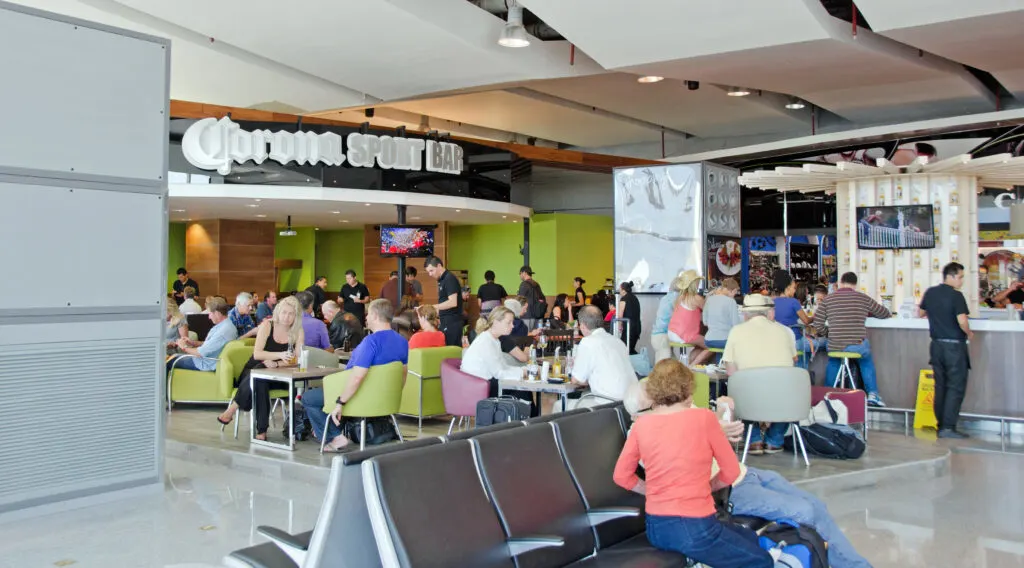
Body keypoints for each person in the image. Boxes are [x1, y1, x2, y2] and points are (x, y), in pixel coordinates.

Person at [623, 381, 874, 568]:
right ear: (640, 413)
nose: (664, 407)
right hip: (730, 490)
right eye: (656, 403)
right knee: (806, 512)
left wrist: (720, 417)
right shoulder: (643, 432)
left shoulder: (675, 417)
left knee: (815, 505)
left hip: (746, 474)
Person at [613, 360, 772, 568]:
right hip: (695, 527)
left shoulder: (642, 425)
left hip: (657, 528)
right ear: (687, 389)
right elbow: (731, 471)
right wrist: (709, 486)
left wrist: (652, 491)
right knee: (762, 561)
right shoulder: (704, 418)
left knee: (748, 538)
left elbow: (621, 476)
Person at [303, 299, 409, 452]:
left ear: (374, 315)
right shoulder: (402, 341)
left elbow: (357, 377)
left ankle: (335, 437)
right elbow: (402, 373)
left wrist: (341, 402)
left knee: (309, 398)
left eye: (368, 314)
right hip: (384, 400)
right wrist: (391, 394)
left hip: (359, 397)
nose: (365, 317)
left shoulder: (370, 342)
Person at [217, 296, 304, 440]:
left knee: (262, 374)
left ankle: (233, 407)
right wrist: (279, 355)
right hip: (254, 369)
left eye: (291, 314)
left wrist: (276, 363)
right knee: (260, 377)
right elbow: (257, 354)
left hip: (281, 372)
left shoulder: (298, 331)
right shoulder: (267, 325)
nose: (286, 317)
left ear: (296, 316)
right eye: (284, 312)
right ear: (278, 312)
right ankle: (262, 431)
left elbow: (297, 359)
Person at [722, 294, 798, 454]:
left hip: (751, 401)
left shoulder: (736, 331)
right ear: (767, 313)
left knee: (738, 389)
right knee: (787, 392)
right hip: (785, 402)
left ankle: (754, 440)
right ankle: (774, 440)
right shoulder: (784, 331)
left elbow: (731, 372)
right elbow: (793, 361)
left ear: (745, 314)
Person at [812, 272, 891, 407]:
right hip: (857, 345)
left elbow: (817, 323)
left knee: (834, 361)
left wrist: (829, 334)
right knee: (866, 360)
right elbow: (884, 313)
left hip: (835, 345)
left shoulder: (828, 299)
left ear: (840, 283)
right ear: (855, 284)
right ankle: (873, 394)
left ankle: (826, 395)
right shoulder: (862, 298)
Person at [919, 262, 973, 439]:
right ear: (950, 276)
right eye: (960, 277)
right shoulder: (956, 296)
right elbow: (962, 321)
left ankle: (940, 424)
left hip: (936, 346)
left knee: (940, 385)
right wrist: (970, 333)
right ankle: (948, 427)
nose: (962, 281)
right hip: (954, 347)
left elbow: (920, 313)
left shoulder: (931, 292)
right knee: (955, 386)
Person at [569, 306, 638, 408]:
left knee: (559, 405)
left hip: (608, 403)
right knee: (584, 396)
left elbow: (576, 380)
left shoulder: (587, 342)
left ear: (582, 326)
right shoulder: (618, 341)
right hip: (631, 402)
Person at [461, 307, 525, 394]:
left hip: (484, 382)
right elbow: (499, 373)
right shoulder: (485, 341)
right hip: (477, 388)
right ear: (495, 322)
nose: (512, 326)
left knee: (523, 388)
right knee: (522, 391)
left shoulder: (494, 340)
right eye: (508, 322)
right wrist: (523, 373)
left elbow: (503, 366)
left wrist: (524, 371)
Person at [166, 297, 237, 373]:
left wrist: (184, 347)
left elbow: (200, 353)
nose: (209, 317)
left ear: (217, 313)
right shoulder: (226, 326)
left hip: (204, 364)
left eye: (210, 313)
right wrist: (193, 343)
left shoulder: (223, 331)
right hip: (207, 360)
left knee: (166, 362)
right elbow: (210, 344)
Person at [667, 271, 711, 364]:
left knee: (700, 346)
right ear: (694, 283)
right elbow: (708, 311)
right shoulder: (696, 298)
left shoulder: (680, 297)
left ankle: (688, 364)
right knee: (712, 345)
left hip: (672, 332)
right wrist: (709, 296)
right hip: (685, 334)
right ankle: (691, 367)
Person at [773, 273, 815, 368]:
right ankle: (803, 371)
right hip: (795, 340)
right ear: (787, 288)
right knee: (818, 344)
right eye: (793, 288)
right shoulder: (794, 302)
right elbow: (806, 321)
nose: (795, 290)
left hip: (778, 341)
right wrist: (815, 316)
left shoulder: (772, 302)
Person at [424, 256, 464, 347]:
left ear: (439, 266)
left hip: (452, 323)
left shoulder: (449, 278)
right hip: (445, 322)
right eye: (428, 272)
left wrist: (434, 306)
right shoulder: (441, 280)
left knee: (452, 354)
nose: (430, 274)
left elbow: (453, 302)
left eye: (431, 270)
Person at [651, 273, 685, 362]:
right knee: (664, 367)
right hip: (663, 336)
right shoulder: (677, 298)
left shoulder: (665, 298)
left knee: (672, 365)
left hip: (657, 335)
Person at [702, 277, 742, 350]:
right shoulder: (731, 301)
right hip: (724, 340)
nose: (734, 295)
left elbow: (705, 322)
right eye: (735, 292)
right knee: (742, 343)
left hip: (708, 340)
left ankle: (719, 361)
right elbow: (736, 325)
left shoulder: (709, 299)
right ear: (731, 290)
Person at [617, 281, 642, 355]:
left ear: (624, 290)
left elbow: (620, 315)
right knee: (630, 349)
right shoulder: (635, 298)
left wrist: (620, 325)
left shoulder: (624, 299)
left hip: (629, 328)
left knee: (624, 350)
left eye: (620, 290)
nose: (619, 291)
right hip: (637, 327)